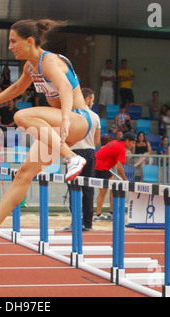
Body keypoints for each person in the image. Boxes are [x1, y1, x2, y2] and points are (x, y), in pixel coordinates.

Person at [0, 19, 90, 242]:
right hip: (58, 124)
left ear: (29, 41)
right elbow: (17, 88)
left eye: (13, 41)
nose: (10, 47)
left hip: (78, 118)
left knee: (21, 115)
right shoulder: (31, 66)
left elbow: (65, 87)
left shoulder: (49, 61)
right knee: (23, 174)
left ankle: (72, 158)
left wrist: (66, 118)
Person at [65, 88, 101, 232]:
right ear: (87, 99)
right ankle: (88, 223)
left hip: (74, 152)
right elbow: (97, 140)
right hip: (90, 152)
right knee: (88, 188)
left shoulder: (71, 115)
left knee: (74, 188)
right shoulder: (95, 116)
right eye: (92, 99)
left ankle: (75, 222)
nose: (93, 102)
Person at [94, 132, 135, 221]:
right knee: (113, 188)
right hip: (100, 167)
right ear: (127, 141)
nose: (132, 145)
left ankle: (101, 214)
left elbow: (102, 148)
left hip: (98, 165)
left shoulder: (115, 142)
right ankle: (109, 214)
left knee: (104, 190)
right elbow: (119, 167)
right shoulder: (121, 148)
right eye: (132, 143)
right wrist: (125, 179)